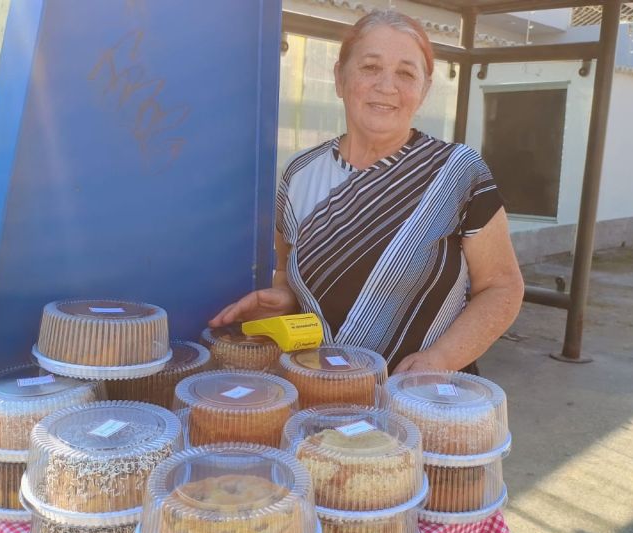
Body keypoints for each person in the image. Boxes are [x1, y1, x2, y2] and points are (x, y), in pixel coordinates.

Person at [211, 9, 524, 374]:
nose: (387, 86)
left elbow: (502, 287)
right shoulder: (300, 173)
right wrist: (284, 300)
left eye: (406, 73)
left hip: (423, 397)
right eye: (370, 67)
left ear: (423, 91)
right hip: (321, 388)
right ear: (340, 78)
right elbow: (286, 271)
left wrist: (440, 360)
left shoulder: (457, 172)